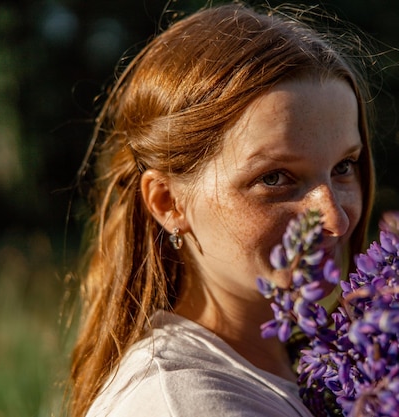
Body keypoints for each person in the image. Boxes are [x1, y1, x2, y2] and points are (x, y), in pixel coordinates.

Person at [68, 3, 377, 416]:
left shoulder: (311, 362)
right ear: (168, 201)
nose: (335, 218)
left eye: (343, 167)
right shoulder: (184, 403)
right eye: (274, 178)